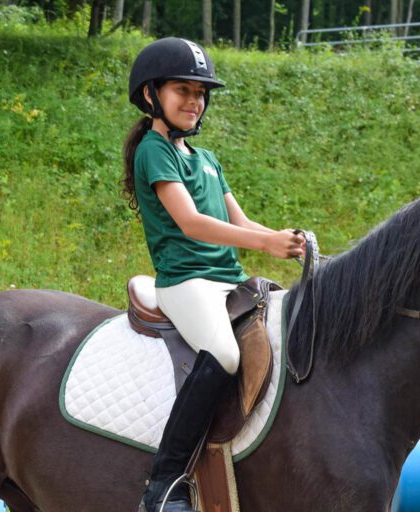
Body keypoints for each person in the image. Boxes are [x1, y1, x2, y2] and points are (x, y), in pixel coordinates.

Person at [122, 37, 305, 512]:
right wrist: (265, 244)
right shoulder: (153, 151)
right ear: (151, 95)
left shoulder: (206, 159)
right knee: (223, 352)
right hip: (185, 282)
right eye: (182, 89)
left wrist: (286, 242)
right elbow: (192, 223)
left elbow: (240, 224)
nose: (194, 101)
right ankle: (164, 483)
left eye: (200, 93)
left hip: (227, 279)